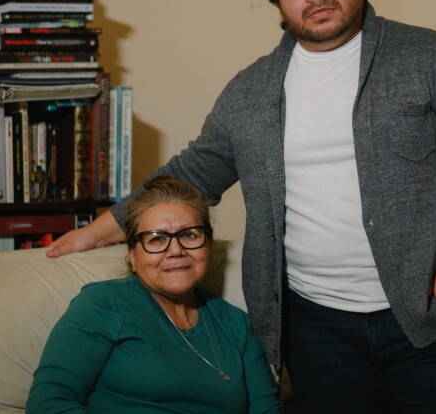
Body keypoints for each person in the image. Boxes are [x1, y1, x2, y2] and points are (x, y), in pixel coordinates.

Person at [47, 0, 436, 412]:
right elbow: (190, 175)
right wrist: (95, 232)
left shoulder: (429, 55)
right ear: (279, 1)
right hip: (317, 330)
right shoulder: (249, 91)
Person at [27, 176, 280, 413]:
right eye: (156, 239)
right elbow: (48, 403)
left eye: (189, 235)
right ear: (132, 255)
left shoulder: (237, 325)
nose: (176, 250)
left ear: (209, 245)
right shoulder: (103, 304)